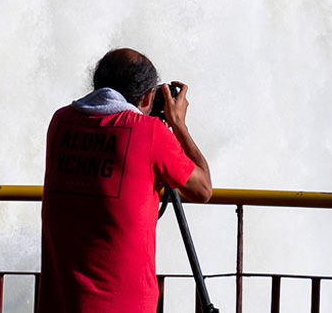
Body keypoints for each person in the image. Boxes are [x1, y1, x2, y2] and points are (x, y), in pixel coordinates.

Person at [39, 48, 212, 313]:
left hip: (60, 302)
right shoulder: (150, 133)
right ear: (147, 96)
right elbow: (202, 189)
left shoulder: (60, 122)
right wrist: (178, 124)